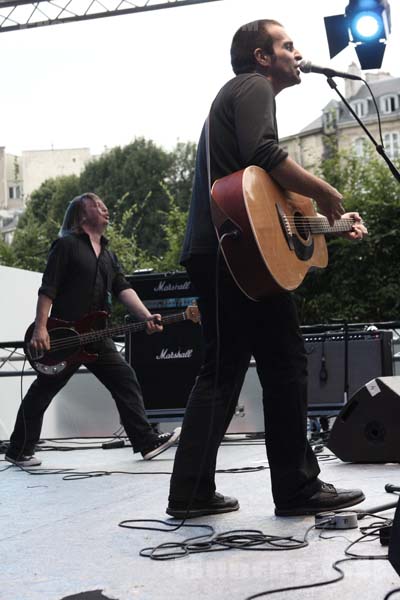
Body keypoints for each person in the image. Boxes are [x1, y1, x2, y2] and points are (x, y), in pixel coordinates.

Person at [166, 19, 367, 518]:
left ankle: (190, 492)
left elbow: (271, 208)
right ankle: (296, 489)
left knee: (224, 369)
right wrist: (327, 192)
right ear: (261, 56)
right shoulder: (253, 86)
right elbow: (265, 154)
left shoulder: (236, 98)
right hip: (231, 250)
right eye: (287, 45)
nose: (297, 54)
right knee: (283, 364)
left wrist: (329, 227)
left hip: (224, 249)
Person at [6, 193, 180, 467]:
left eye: (104, 204)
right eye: (97, 205)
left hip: (98, 336)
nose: (105, 208)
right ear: (81, 215)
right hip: (65, 337)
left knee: (125, 379)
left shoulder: (108, 255)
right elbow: (47, 289)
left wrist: (147, 316)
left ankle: (146, 442)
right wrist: (41, 329)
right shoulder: (66, 246)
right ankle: (18, 450)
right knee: (43, 391)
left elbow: (123, 289)